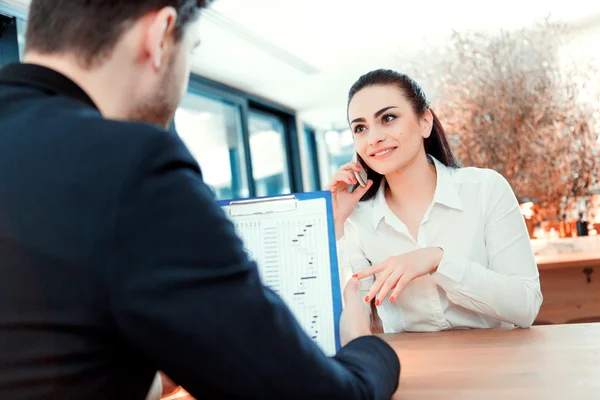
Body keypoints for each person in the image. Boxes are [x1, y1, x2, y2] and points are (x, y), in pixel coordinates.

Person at [0, 1, 400, 399]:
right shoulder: (133, 164)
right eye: (190, 51)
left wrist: (152, 381)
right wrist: (367, 345)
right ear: (160, 36)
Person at [327, 69, 543, 334]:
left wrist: (439, 261)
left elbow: (526, 306)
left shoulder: (486, 188)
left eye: (388, 118)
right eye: (360, 128)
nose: (374, 138)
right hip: (412, 370)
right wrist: (335, 224)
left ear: (425, 122)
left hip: (497, 361)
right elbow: (348, 328)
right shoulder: (357, 218)